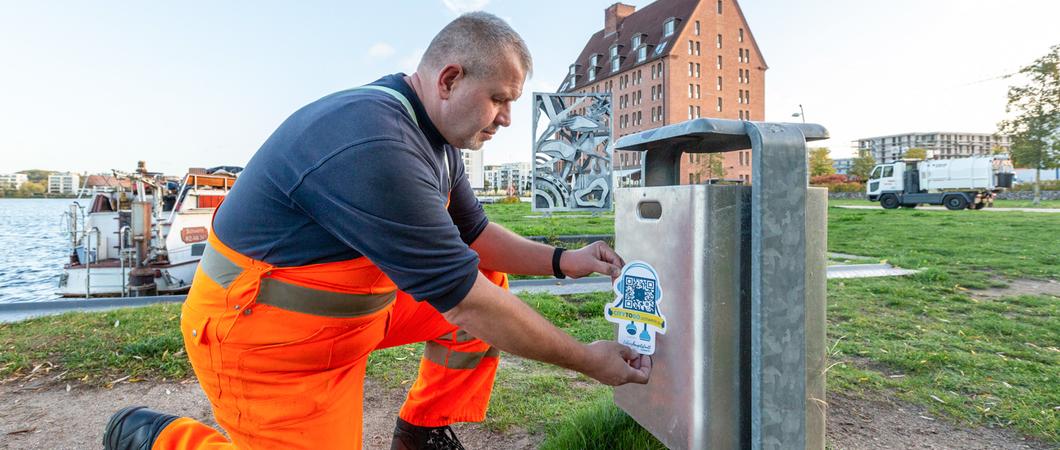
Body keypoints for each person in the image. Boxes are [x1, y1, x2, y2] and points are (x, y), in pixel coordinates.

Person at [103, 11, 651, 450]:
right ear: (450, 78)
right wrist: (587, 360)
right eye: (500, 98)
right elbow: (466, 302)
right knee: (483, 303)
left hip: (348, 320)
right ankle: (160, 438)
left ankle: (420, 433)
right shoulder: (377, 144)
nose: (507, 117)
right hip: (267, 342)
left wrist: (564, 260)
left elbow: (478, 238)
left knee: (493, 282)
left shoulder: (435, 136)